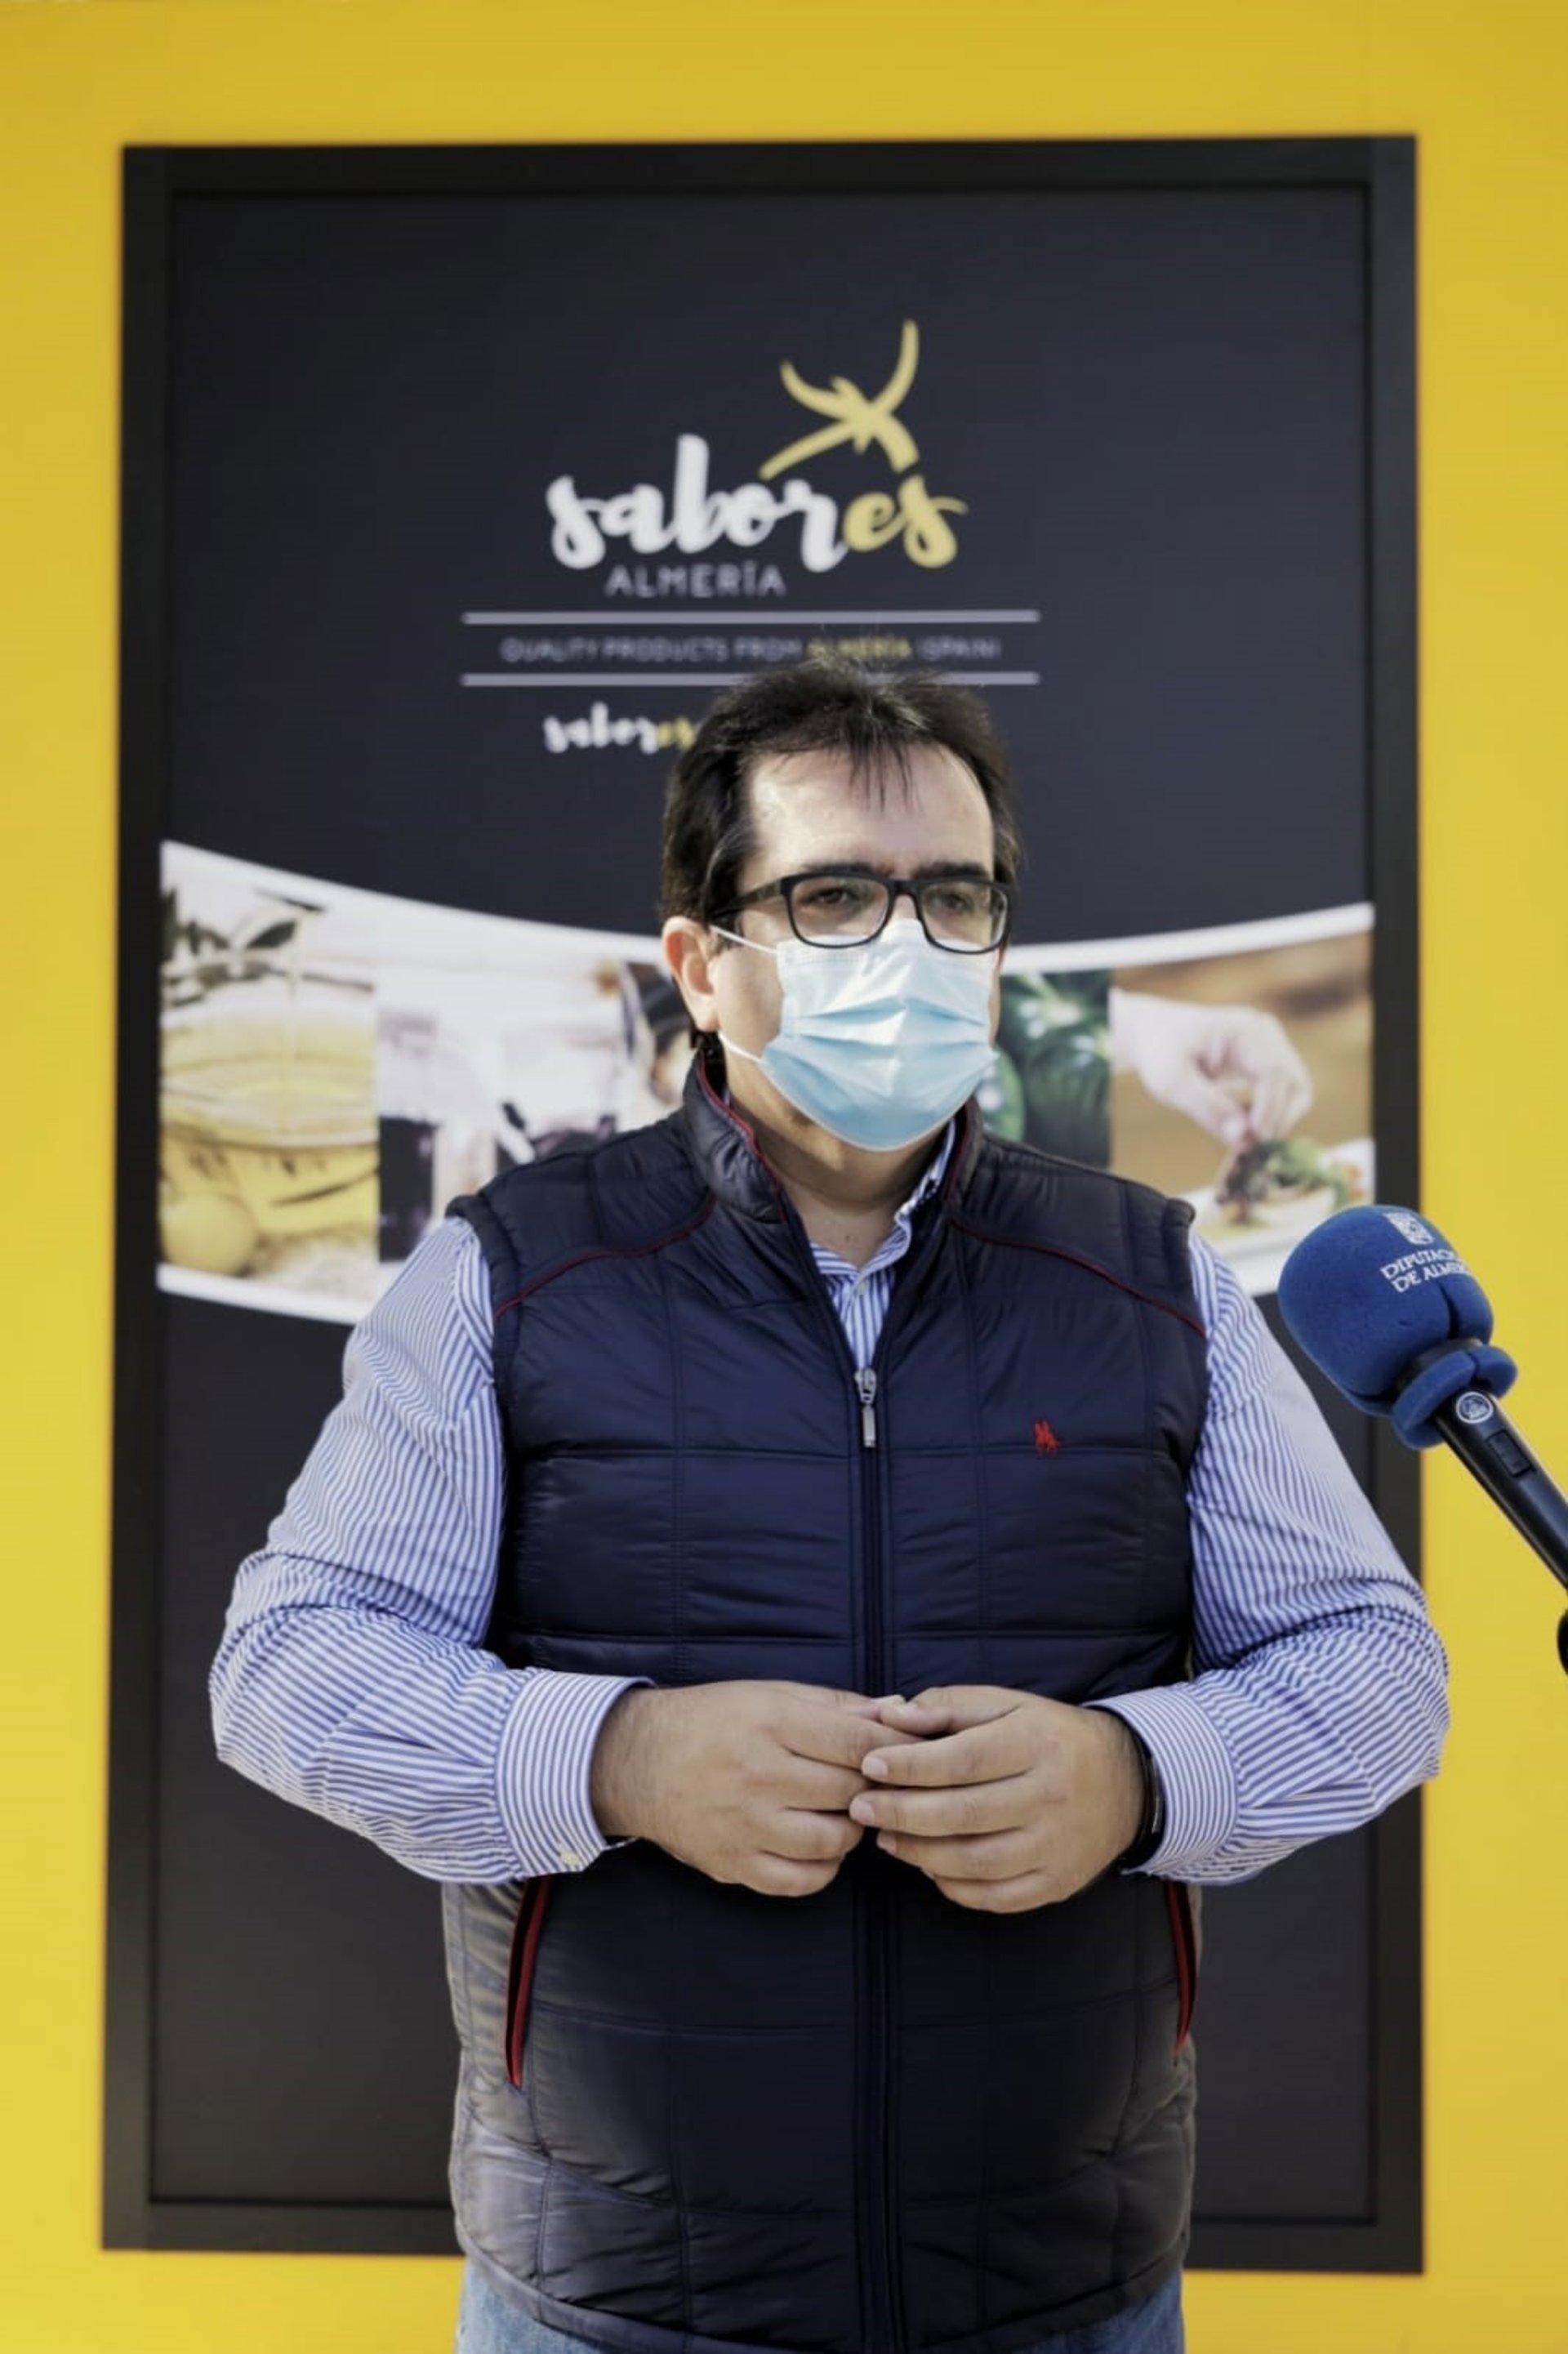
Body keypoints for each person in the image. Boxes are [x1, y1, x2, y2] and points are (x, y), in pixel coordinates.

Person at [210, 659, 1448, 2354]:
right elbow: (289, 1666)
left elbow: (1375, 1664)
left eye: (956, 898)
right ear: (700, 963)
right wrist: (616, 1755)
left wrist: (1136, 1773)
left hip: (1061, 2289)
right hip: (616, 2301)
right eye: (836, 896)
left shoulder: (1153, 1278)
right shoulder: (512, 1271)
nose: (909, 946)